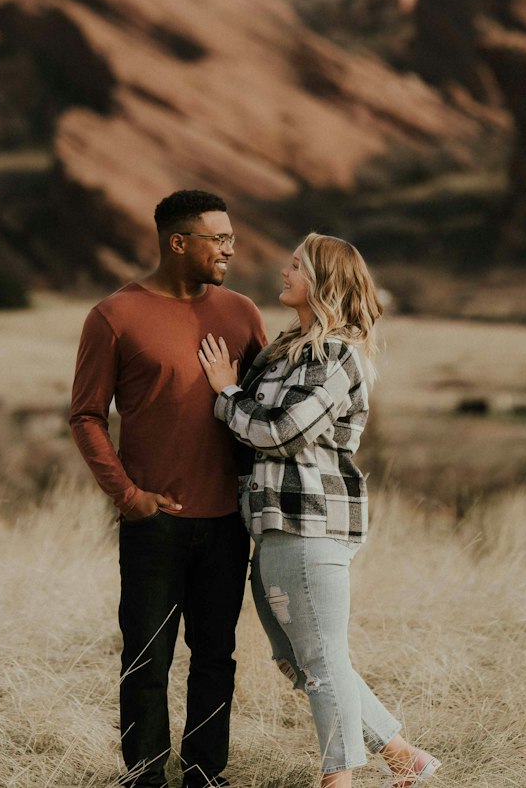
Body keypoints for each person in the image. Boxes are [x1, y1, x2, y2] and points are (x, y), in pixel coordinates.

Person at [199, 233, 441, 788]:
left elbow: (281, 432)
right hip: (271, 523)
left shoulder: (338, 353)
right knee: (297, 657)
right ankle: (405, 758)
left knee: (322, 658)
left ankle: (339, 780)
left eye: (297, 265)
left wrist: (225, 392)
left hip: (309, 521)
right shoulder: (288, 347)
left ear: (325, 283)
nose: (284, 272)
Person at [69, 189, 267, 788]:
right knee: (146, 660)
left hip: (227, 521)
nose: (231, 248)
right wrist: (129, 497)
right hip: (154, 523)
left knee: (215, 658)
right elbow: (85, 415)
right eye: (219, 239)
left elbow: (265, 408)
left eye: (231, 238)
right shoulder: (114, 315)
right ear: (179, 242)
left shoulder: (241, 312)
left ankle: (207, 775)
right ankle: (145, 777)